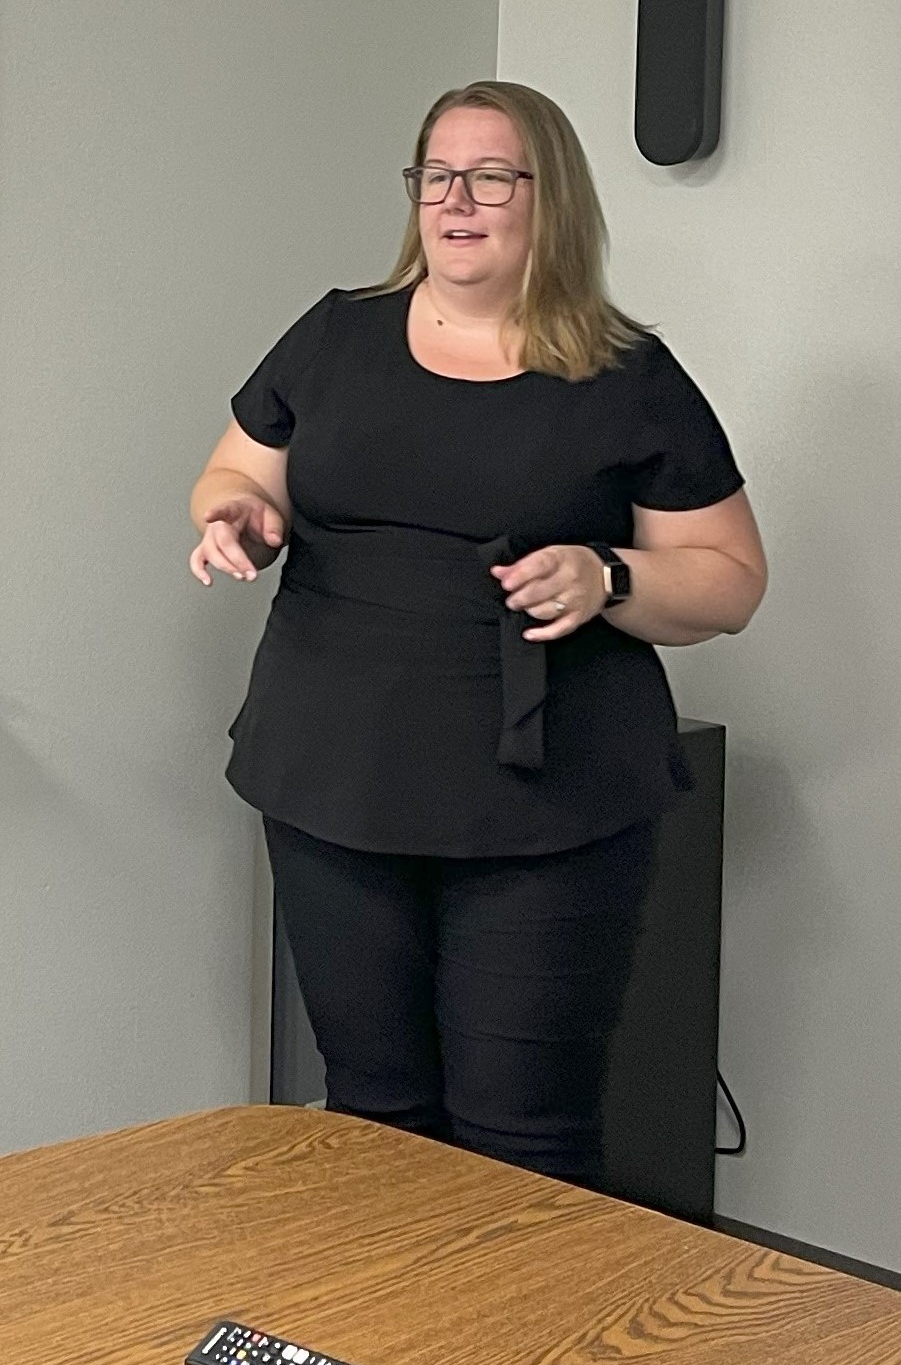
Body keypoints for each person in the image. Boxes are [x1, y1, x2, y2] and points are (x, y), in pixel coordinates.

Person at [189, 80, 767, 1192]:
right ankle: (400, 1357)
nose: (459, 199)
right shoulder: (335, 333)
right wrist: (240, 516)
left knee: (523, 1134)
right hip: (334, 777)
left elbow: (729, 581)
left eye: (492, 174)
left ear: (549, 198)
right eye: (436, 175)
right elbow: (235, 471)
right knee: (372, 1112)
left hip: (545, 798)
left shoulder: (625, 376)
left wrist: (609, 574)